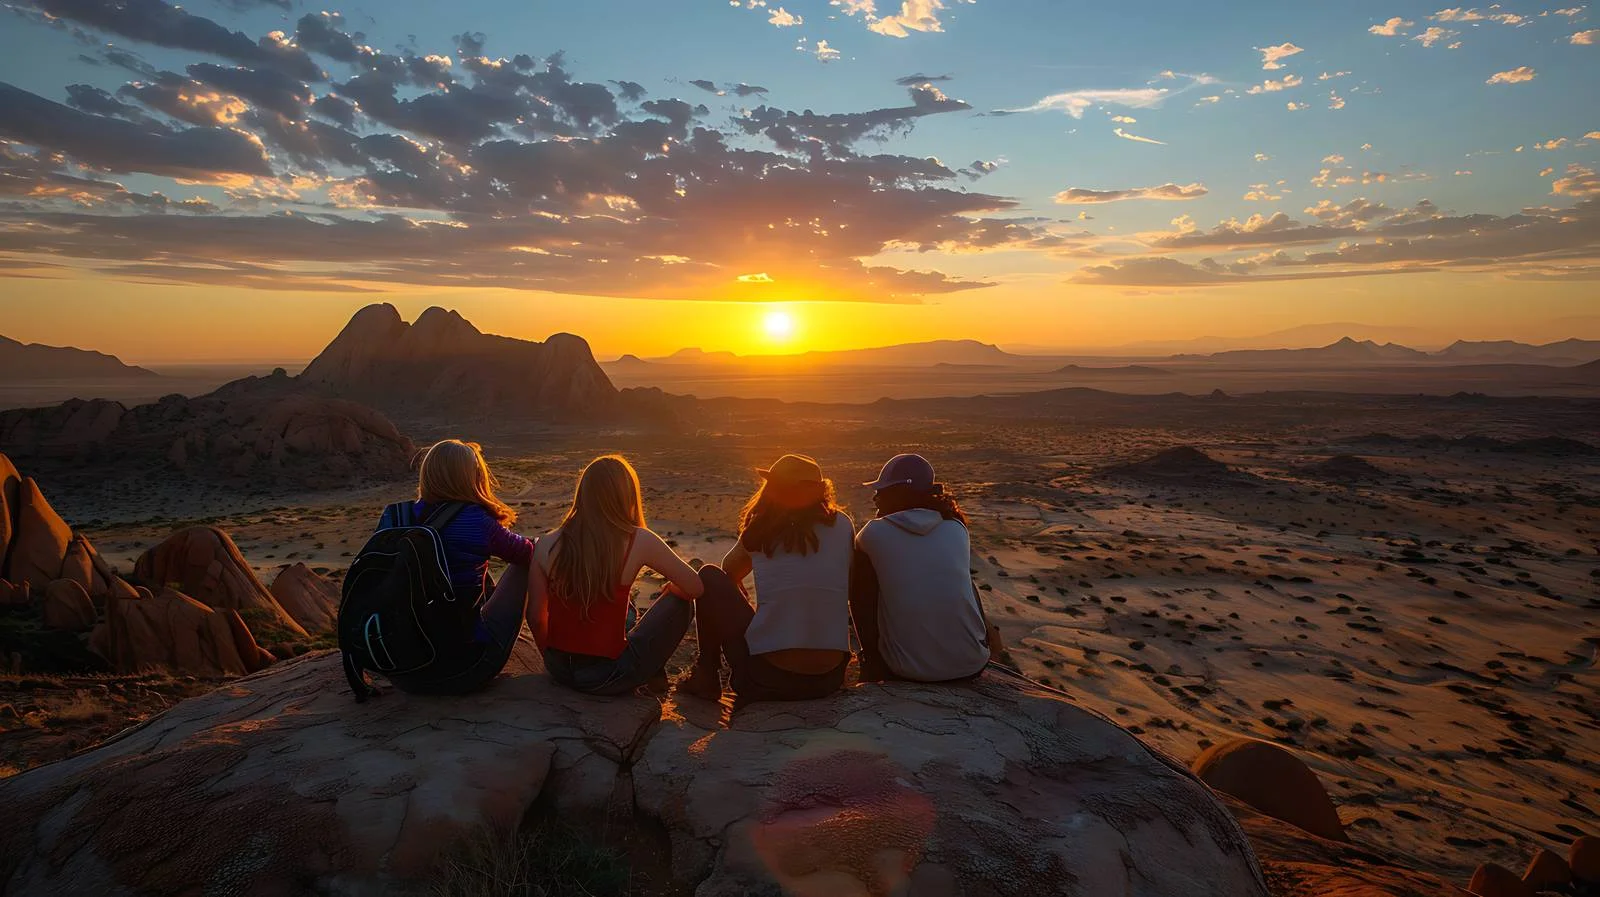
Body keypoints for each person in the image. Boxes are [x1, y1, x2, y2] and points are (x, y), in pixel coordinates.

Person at [676, 454, 852, 708]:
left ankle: (707, 675)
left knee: (709, 577)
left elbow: (728, 572)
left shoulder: (761, 530)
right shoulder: (844, 525)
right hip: (829, 679)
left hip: (767, 681)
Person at [529, 454, 704, 696]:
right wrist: (671, 590)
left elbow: (536, 617)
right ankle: (655, 678)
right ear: (628, 495)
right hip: (608, 676)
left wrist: (552, 663)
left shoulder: (545, 544)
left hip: (559, 670)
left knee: (628, 609)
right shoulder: (638, 539)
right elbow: (695, 587)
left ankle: (651, 676)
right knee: (680, 603)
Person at [378, 439, 536, 695]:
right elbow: (527, 554)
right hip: (465, 670)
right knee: (525, 564)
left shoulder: (394, 516)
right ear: (473, 477)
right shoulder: (476, 520)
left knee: (475, 576)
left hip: (400, 671)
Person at [851, 453, 991, 683]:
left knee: (863, 581)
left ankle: (871, 659)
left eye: (882, 491)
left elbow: (861, 600)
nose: (875, 498)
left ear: (901, 492)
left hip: (907, 670)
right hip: (972, 664)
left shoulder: (873, 534)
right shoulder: (955, 527)